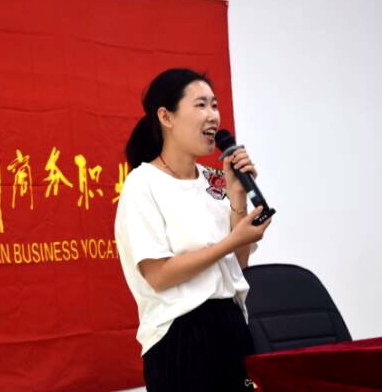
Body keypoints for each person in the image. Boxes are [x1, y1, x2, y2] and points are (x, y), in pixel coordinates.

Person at [114, 68, 273, 391]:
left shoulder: (215, 181)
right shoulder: (143, 183)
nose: (213, 115)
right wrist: (231, 241)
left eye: (215, 105)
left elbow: (239, 263)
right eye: (201, 105)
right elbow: (159, 275)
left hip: (232, 328)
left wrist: (237, 200)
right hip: (180, 337)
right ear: (166, 117)